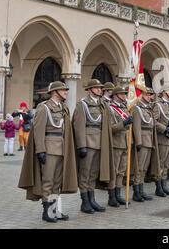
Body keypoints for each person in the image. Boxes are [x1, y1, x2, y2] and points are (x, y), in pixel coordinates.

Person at [18, 81, 78, 223]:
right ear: (54, 92)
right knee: (48, 181)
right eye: (63, 90)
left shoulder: (63, 108)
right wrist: (41, 151)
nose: (66, 92)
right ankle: (47, 212)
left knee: (57, 182)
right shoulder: (44, 107)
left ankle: (55, 210)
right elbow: (38, 131)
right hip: (49, 148)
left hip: (62, 148)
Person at [73, 79, 115, 214]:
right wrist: (81, 145)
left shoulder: (102, 104)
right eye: (96, 88)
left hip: (100, 142)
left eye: (100, 87)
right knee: (85, 173)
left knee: (93, 173)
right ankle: (85, 202)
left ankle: (92, 199)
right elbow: (78, 125)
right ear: (89, 90)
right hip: (88, 142)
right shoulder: (83, 104)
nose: (99, 89)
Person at [108, 86, 133, 206]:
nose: (124, 96)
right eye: (121, 94)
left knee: (122, 171)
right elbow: (110, 128)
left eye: (124, 94)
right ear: (115, 95)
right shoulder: (110, 109)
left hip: (126, 142)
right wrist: (124, 123)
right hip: (116, 143)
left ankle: (118, 194)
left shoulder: (125, 108)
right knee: (115, 170)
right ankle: (112, 196)